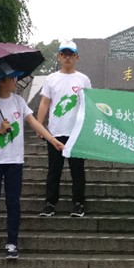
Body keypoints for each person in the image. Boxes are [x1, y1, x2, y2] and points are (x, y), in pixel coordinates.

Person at [0, 62, 65, 260]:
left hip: (14, 161)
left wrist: (52, 140)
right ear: (1, 81)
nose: (16, 80)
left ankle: (12, 243)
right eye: (12, 77)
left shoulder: (19, 102)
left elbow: (34, 123)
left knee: (13, 203)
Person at [37, 40, 92, 217]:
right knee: (54, 169)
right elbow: (45, 102)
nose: (67, 57)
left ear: (77, 57)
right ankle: (50, 203)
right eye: (64, 54)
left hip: (76, 132)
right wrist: (39, 125)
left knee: (77, 170)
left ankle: (78, 203)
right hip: (55, 132)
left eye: (71, 54)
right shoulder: (51, 79)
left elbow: (89, 104)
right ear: (59, 56)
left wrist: (89, 128)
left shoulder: (83, 79)